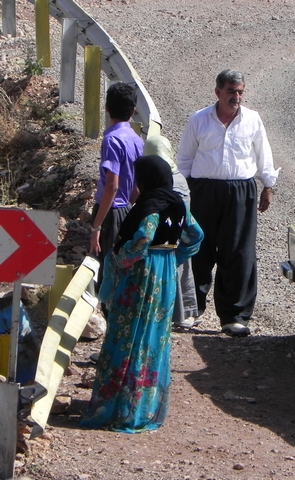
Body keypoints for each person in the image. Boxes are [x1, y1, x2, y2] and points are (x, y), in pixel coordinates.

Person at [80, 155, 203, 433]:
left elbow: (142, 241)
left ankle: (123, 408)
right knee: (154, 338)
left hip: (142, 277)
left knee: (128, 336)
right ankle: (146, 406)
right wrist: (175, 256)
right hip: (165, 276)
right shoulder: (178, 203)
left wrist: (120, 257)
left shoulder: (149, 207)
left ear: (145, 180)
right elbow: (196, 235)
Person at [176, 69, 280, 337]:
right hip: (203, 190)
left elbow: (263, 155)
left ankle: (234, 316)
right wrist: (181, 195)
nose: (236, 96)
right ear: (218, 92)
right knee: (198, 247)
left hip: (240, 191)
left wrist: (268, 186)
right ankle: (191, 309)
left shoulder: (253, 120)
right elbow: (185, 160)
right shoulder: (199, 120)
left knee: (237, 252)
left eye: (240, 91)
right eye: (231, 91)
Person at [89, 82, 144, 295]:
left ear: (106, 108)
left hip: (110, 213)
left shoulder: (111, 140)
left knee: (107, 272)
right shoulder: (136, 139)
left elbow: (111, 186)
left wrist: (96, 227)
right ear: (133, 110)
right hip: (127, 210)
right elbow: (136, 186)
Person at [142, 135, 200, 329]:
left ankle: (175, 314)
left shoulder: (162, 178)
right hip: (183, 231)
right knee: (184, 265)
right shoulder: (180, 178)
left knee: (170, 265)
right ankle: (188, 311)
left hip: (167, 233)